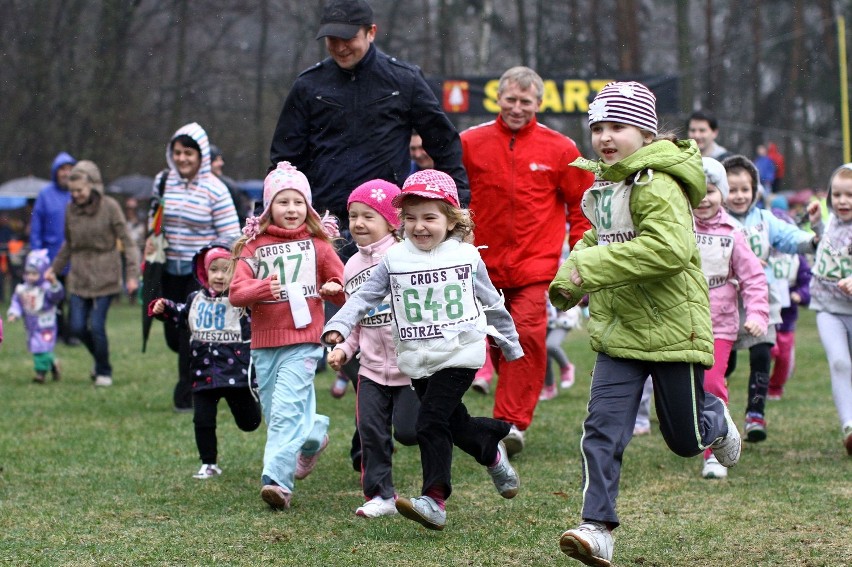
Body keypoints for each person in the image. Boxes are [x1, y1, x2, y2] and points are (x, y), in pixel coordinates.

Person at [548, 81, 742, 566]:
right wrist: (571, 277)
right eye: (597, 128)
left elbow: (670, 250)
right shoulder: (606, 183)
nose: (605, 138)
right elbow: (600, 237)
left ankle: (713, 419)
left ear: (645, 131)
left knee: (684, 441)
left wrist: (591, 268)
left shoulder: (656, 181)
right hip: (619, 329)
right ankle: (597, 528)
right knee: (602, 428)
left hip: (674, 328)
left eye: (617, 127)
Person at [322, 169, 523, 531]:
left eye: (430, 217)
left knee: (429, 422)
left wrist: (510, 343)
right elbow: (365, 296)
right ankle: (491, 448)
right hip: (417, 358)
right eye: (411, 218)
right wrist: (338, 324)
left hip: (460, 352)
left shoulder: (466, 257)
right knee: (452, 421)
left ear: (451, 219)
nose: (419, 226)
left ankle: (434, 498)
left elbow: (492, 302)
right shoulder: (395, 259)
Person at [460, 66, 594, 456]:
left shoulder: (562, 149)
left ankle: (509, 424)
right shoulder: (469, 142)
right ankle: (511, 405)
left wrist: (580, 259)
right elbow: (453, 198)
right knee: (498, 346)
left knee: (527, 337)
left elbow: (581, 208)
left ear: (538, 102)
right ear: (498, 99)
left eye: (526, 101)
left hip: (535, 268)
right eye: (511, 100)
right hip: (479, 267)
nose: (517, 108)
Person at [269, 0, 469, 233]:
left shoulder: (404, 80)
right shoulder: (308, 85)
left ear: (371, 32)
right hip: (324, 218)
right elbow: (285, 158)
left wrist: (457, 203)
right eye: (333, 40)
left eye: (349, 39)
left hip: (388, 216)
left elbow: (444, 142)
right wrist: (268, 211)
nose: (341, 47)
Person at [229, 161, 345, 510]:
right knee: (280, 414)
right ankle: (313, 439)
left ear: (307, 207)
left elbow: (343, 290)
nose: (291, 209)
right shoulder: (255, 246)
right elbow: (236, 292)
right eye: (283, 202)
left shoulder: (319, 245)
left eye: (297, 202)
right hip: (264, 343)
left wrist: (333, 287)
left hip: (304, 340)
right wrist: (264, 287)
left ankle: (277, 482)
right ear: (268, 208)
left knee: (284, 412)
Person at [325, 179, 420, 518]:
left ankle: (458, 430)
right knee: (371, 431)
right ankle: (381, 496)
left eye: (368, 216)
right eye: (353, 216)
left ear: (391, 221)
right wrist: (343, 349)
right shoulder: (350, 266)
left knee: (410, 432)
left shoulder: (406, 257)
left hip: (410, 366)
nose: (358, 224)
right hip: (371, 369)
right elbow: (354, 320)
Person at [722, 155, 820, 441]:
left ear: (755, 191)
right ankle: (719, 411)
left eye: (745, 189)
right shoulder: (717, 220)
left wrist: (811, 239)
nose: (739, 196)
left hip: (761, 299)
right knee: (725, 361)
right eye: (732, 189)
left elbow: (791, 238)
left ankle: (756, 414)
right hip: (725, 301)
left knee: (762, 352)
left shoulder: (765, 220)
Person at [150, 238, 262, 479]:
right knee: (202, 420)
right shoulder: (195, 300)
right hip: (203, 373)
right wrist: (164, 308)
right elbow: (181, 315)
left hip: (237, 376)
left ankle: (255, 405)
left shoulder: (243, 302)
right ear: (204, 272)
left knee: (249, 423)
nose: (219, 276)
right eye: (214, 270)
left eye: (226, 270)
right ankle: (208, 463)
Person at [148, 123, 240, 410]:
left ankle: (186, 396)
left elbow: (231, 236)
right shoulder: (163, 182)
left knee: (189, 330)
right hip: (167, 269)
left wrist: (221, 270)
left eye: (188, 153)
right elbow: (155, 218)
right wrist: (150, 241)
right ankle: (204, 370)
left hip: (199, 273)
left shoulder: (216, 190)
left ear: (201, 156)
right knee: (174, 337)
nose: (182, 159)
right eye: (177, 152)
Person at [693, 157, 770, 479]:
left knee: (711, 383)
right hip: (680, 321)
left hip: (720, 323)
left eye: (710, 191)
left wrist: (757, 314)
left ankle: (715, 449)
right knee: (687, 387)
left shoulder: (733, 233)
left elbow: (753, 277)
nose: (704, 198)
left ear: (721, 193)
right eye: (697, 190)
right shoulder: (676, 226)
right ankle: (695, 434)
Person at [48, 160, 140, 387]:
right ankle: (99, 359)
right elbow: (68, 244)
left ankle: (103, 370)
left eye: (79, 190)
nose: (76, 195)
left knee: (97, 326)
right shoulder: (71, 210)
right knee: (78, 327)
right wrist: (53, 269)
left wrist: (131, 274)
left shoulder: (110, 207)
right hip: (79, 276)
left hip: (106, 274)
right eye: (72, 191)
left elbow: (128, 243)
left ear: (93, 186)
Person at [809, 164, 852, 455]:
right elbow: (831, 250)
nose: (842, 201)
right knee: (839, 363)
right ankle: (849, 426)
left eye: (850, 195)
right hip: (827, 307)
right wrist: (816, 227)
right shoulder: (833, 223)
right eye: (836, 194)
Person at [767, 195, 812, 400]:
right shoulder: (761, 254)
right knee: (771, 350)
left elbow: (807, 282)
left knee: (784, 356)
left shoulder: (796, 258)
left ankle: (776, 387)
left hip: (787, 317)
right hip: (766, 314)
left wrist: (800, 295)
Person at [30, 151, 76, 344]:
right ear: (55, 172)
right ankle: (57, 331)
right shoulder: (45, 195)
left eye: (69, 169)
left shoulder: (77, 192)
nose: (66, 173)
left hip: (75, 258)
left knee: (75, 298)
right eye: (62, 169)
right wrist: (37, 253)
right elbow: (36, 226)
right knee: (54, 298)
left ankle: (72, 334)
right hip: (51, 257)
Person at [6, 249, 64, 383]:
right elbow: (17, 301)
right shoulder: (23, 288)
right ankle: (54, 364)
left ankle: (41, 373)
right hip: (31, 323)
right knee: (37, 346)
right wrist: (14, 313)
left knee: (41, 347)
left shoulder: (46, 287)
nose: (31, 277)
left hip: (46, 322)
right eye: (28, 273)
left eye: (35, 274)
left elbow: (57, 296)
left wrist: (54, 284)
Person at [539, 300, 580, 401]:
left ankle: (566, 367)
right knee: (543, 354)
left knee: (550, 345)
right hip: (544, 316)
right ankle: (549, 388)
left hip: (563, 318)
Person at [210, 144, 249, 228]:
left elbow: (242, 216)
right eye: (216, 160)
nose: (221, 163)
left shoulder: (229, 186)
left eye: (221, 159)